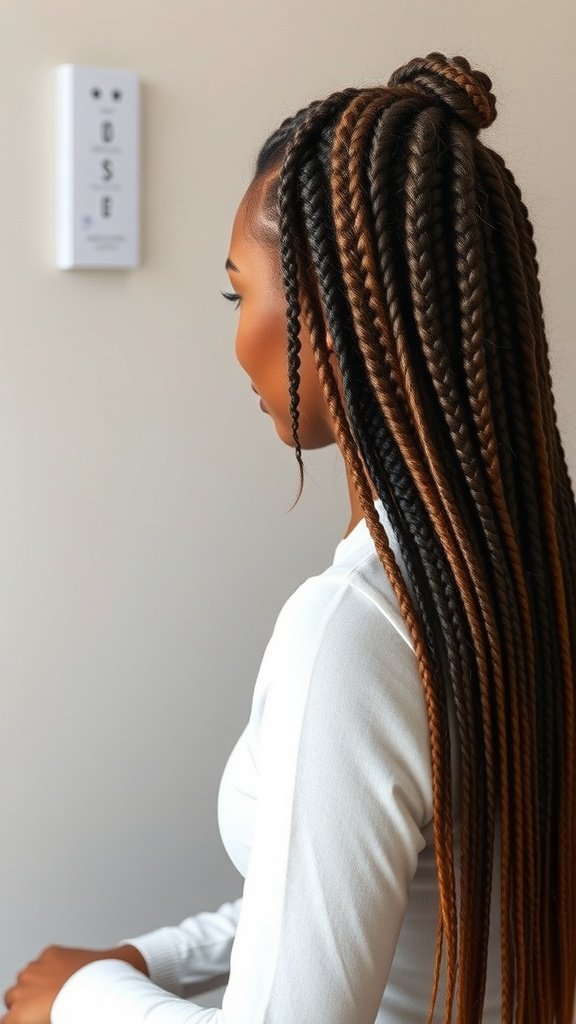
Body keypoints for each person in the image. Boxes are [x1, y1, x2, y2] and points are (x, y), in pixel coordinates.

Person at [3, 50, 576, 1024]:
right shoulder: (538, 579)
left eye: (241, 292)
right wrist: (151, 957)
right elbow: (357, 897)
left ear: (335, 314)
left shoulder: (352, 635)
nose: (237, 336)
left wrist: (78, 999)